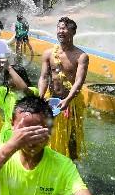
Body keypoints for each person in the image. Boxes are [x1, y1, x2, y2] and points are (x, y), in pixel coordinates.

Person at [37, 17, 90, 160]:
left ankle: (71, 168)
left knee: (71, 138)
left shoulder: (81, 56)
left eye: (65, 28)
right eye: (59, 28)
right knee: (47, 135)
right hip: (51, 101)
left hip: (71, 103)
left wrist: (67, 100)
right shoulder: (48, 53)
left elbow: (79, 82)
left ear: (73, 32)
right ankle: (48, 166)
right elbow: (43, 77)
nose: (61, 31)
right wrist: (40, 96)